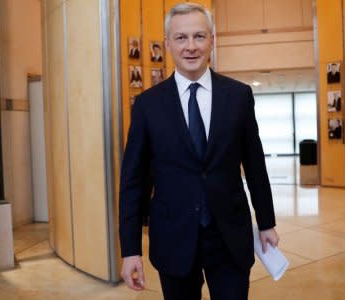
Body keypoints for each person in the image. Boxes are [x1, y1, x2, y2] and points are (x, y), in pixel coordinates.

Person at [119, 3, 279, 300]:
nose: (190, 46)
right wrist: (130, 250)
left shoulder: (239, 96)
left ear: (212, 41)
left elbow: (255, 165)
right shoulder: (147, 106)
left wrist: (266, 221)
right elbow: (133, 182)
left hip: (229, 236)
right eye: (181, 38)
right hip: (173, 237)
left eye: (199, 36)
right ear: (167, 44)